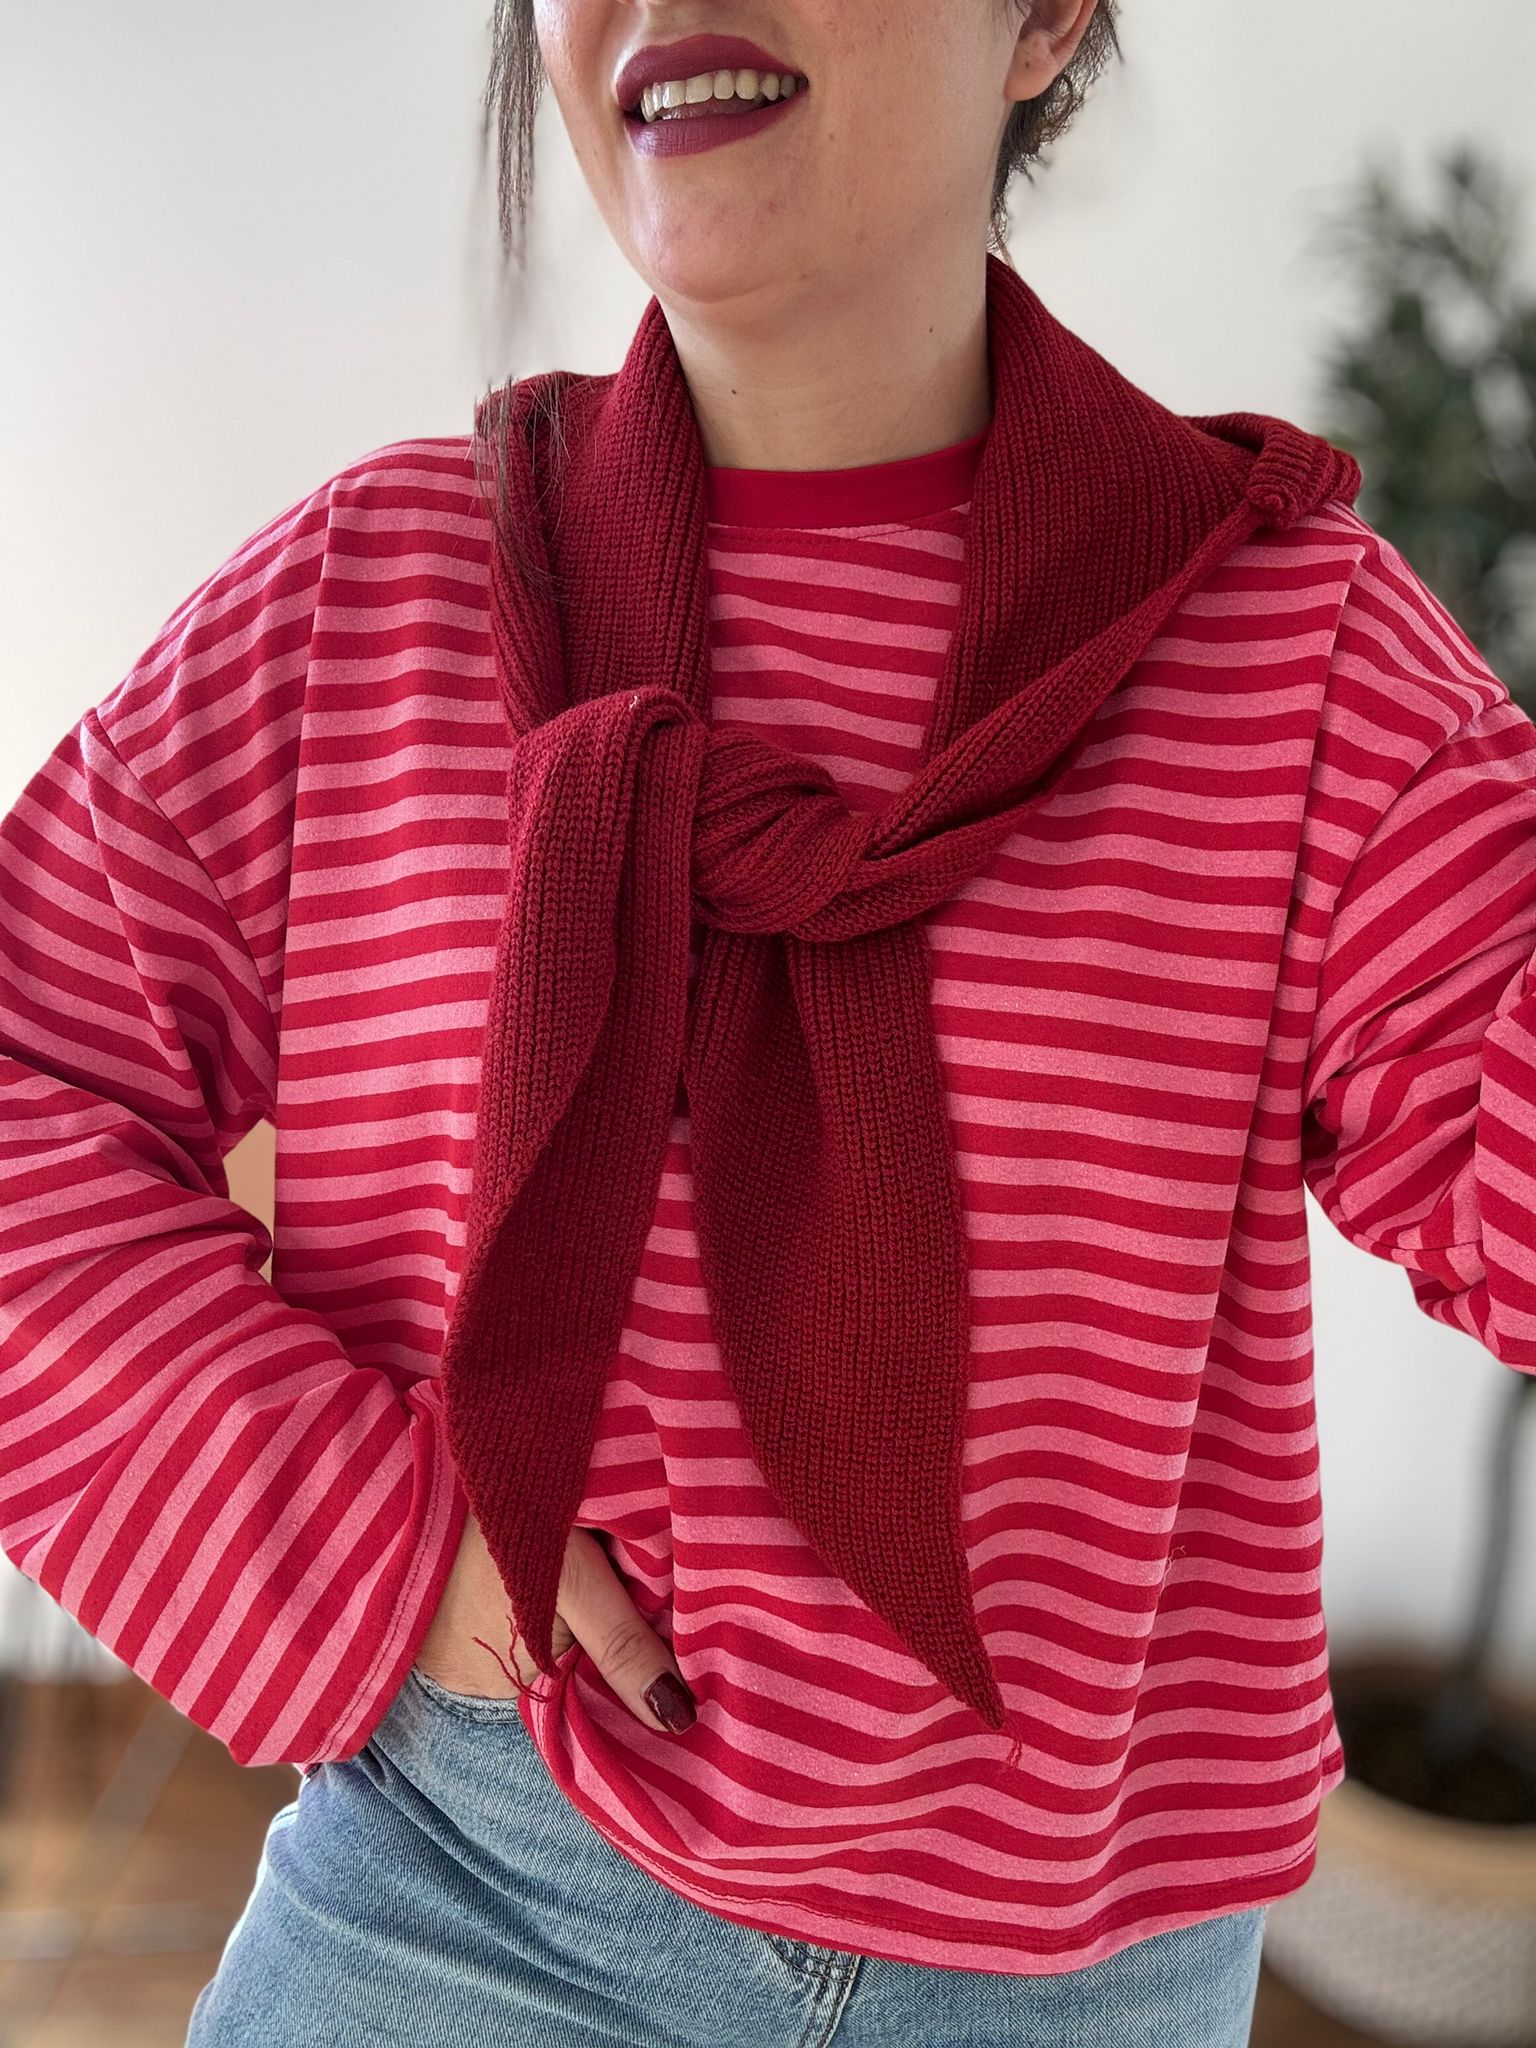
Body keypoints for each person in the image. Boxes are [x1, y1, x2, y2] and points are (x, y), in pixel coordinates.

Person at [3, 3, 1534, 2044]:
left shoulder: (1300, 661)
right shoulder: (369, 599)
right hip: (467, 1886)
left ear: (1046, 19)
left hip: (1085, 1960)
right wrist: (365, 1538)